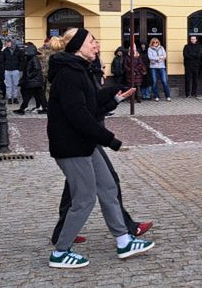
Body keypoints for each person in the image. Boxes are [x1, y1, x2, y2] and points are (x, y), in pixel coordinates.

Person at [45, 28, 154, 266]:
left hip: (85, 143)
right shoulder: (68, 74)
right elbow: (79, 116)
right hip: (72, 146)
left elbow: (91, 103)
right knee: (83, 199)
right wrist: (110, 140)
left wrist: (115, 96)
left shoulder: (79, 69)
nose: (96, 45)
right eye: (92, 41)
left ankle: (124, 240)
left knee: (107, 187)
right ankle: (61, 251)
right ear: (78, 46)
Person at [15, 43, 47, 114]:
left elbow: (36, 68)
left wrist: (29, 76)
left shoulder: (33, 58)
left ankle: (22, 109)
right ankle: (45, 108)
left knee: (28, 95)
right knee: (40, 95)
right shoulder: (31, 58)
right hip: (35, 81)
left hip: (34, 81)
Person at [3, 40, 25, 104]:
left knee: (16, 84)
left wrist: (20, 68)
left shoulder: (18, 51)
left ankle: (15, 98)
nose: (7, 44)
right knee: (8, 85)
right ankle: (9, 98)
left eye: (8, 42)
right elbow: (3, 60)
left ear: (12, 43)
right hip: (7, 69)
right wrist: (4, 68)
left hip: (15, 70)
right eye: (6, 43)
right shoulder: (5, 51)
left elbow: (22, 60)